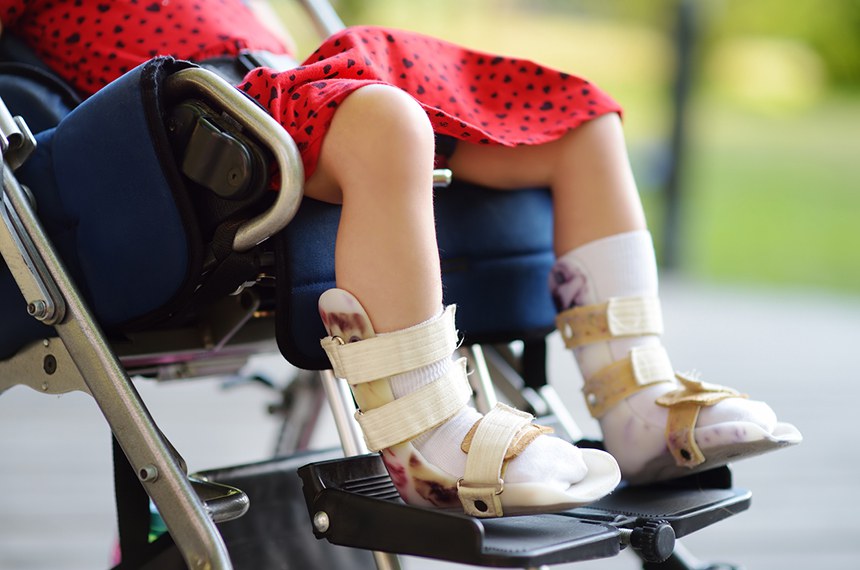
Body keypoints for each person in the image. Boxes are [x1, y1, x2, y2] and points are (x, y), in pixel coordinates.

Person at [1, 0, 800, 518]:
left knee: (578, 113)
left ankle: (637, 399)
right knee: (387, 124)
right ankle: (428, 435)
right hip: (194, 131)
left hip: (303, 80)